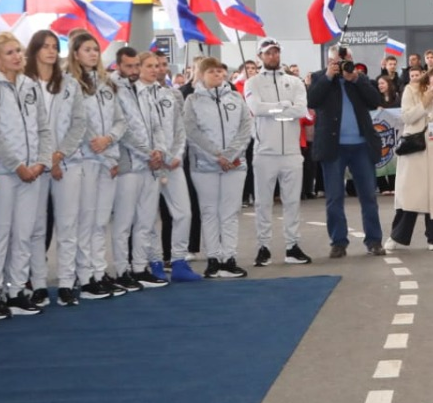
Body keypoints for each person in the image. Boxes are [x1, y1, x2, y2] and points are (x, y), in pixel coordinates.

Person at [0, 33, 49, 317]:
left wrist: (41, 162)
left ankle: (16, 290)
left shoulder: (30, 85)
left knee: (24, 234)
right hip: (5, 173)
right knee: (0, 235)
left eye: (19, 51)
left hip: (33, 172)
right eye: (9, 52)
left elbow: (43, 128)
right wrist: (17, 165)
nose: (17, 56)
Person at [25, 29, 88, 307]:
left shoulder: (70, 84)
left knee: (68, 225)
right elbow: (24, 127)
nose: (51, 51)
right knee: (37, 227)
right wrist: (45, 159)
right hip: (35, 165)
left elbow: (79, 123)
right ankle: (38, 284)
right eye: (45, 46)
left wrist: (59, 155)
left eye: (54, 46)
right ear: (35, 50)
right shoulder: (23, 83)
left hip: (67, 161)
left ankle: (65, 283)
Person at [309, 46, 386, 257]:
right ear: (329, 61)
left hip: (361, 146)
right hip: (333, 146)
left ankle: (374, 241)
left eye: (347, 59)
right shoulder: (319, 77)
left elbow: (375, 101)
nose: (344, 63)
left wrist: (356, 79)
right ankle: (338, 242)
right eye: (339, 60)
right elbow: (312, 101)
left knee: (368, 196)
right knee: (334, 197)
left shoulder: (359, 77)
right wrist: (328, 77)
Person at [64, 32, 124, 299]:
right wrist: (98, 145)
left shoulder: (107, 83)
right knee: (85, 220)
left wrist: (109, 141)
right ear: (75, 53)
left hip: (108, 160)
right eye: (87, 49)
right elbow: (77, 122)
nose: (92, 54)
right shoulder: (69, 83)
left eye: (95, 49)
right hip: (86, 159)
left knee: (100, 221)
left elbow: (120, 120)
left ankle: (99, 272)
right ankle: (85, 275)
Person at [185, 56, 253, 279]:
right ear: (202, 74)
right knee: (209, 212)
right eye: (212, 71)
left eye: (220, 71)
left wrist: (230, 154)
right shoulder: (193, 100)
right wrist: (216, 155)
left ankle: (229, 258)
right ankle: (213, 258)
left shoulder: (235, 97)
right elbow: (192, 132)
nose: (217, 75)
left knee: (230, 212)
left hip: (235, 165)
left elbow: (246, 128)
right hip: (204, 166)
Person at [246, 39, 311, 266]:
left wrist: (274, 109)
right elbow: (256, 109)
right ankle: (263, 247)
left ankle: (292, 246)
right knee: (263, 203)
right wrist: (283, 106)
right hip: (264, 152)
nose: (273, 56)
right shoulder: (252, 82)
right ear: (260, 56)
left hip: (292, 152)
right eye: (268, 53)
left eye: (275, 52)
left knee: (292, 202)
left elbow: (301, 110)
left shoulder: (294, 82)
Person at [133, 51, 198, 281]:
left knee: (184, 213)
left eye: (161, 65)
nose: (157, 69)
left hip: (173, 164)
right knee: (148, 217)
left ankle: (179, 260)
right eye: (151, 65)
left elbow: (180, 129)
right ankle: (155, 261)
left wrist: (175, 155)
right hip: (148, 163)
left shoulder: (170, 94)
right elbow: (134, 130)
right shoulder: (133, 95)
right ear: (139, 68)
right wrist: (152, 155)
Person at [386, 63, 433, 251]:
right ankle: (397, 236)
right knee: (410, 194)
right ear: (429, 76)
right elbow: (407, 117)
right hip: (415, 148)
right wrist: (426, 100)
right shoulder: (411, 90)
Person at [108, 47, 159, 292]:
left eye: (136, 65)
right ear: (118, 65)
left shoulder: (142, 90)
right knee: (123, 223)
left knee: (146, 221)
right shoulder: (112, 90)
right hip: (127, 165)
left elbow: (155, 125)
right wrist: (147, 153)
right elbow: (124, 130)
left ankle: (140, 267)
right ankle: (122, 270)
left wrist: (159, 152)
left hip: (150, 166)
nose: (134, 70)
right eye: (128, 66)